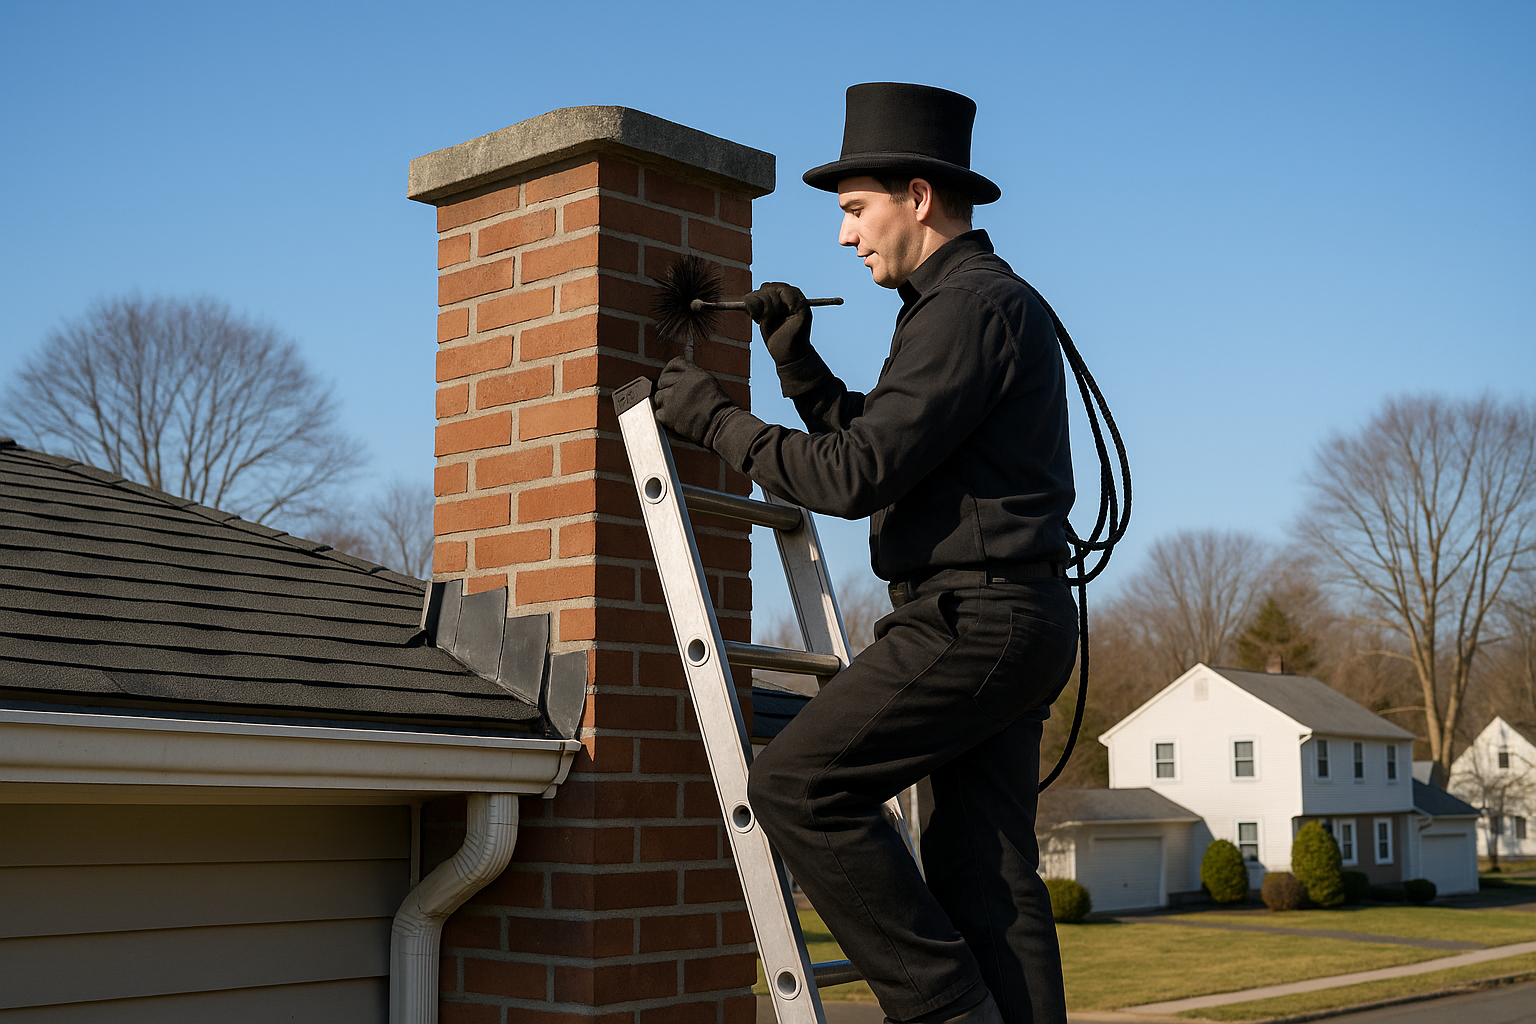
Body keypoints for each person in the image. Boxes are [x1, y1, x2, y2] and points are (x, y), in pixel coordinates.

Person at [652, 82, 1078, 1024]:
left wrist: (717, 423)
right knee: (987, 877)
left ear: (918, 198)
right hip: (1014, 617)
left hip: (978, 618)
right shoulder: (963, 308)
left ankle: (943, 1012)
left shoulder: (967, 311)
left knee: (798, 784)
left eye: (855, 210)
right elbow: (891, 452)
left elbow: (852, 479)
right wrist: (800, 367)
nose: (846, 237)